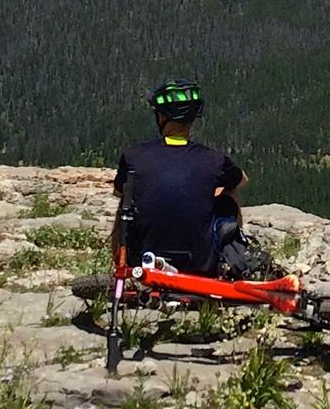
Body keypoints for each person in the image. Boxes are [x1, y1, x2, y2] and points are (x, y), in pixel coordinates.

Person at [113, 80, 264, 277]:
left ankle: (120, 264)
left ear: (160, 117)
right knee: (230, 191)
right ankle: (230, 258)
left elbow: (117, 191)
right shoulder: (213, 159)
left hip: (142, 259)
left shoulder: (134, 155)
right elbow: (241, 179)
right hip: (200, 265)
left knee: (126, 198)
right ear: (192, 119)